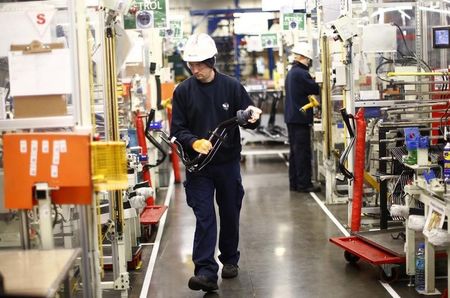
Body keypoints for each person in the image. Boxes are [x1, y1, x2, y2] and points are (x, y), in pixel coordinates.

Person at [170, 33, 262, 292]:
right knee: (205, 216)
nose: (195, 69)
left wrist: (253, 115)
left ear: (211, 62)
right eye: (191, 64)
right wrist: (193, 142)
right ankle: (206, 272)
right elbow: (177, 128)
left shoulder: (231, 87)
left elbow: (251, 112)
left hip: (227, 163)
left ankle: (230, 259)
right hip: (198, 167)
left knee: (230, 211)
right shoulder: (183, 91)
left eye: (199, 64)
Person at [284, 42, 321, 193]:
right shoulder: (301, 73)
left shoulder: (292, 72)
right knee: (302, 153)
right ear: (303, 58)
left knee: (295, 152)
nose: (308, 62)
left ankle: (295, 183)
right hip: (299, 119)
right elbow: (315, 88)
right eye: (308, 59)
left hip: (292, 118)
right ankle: (304, 184)